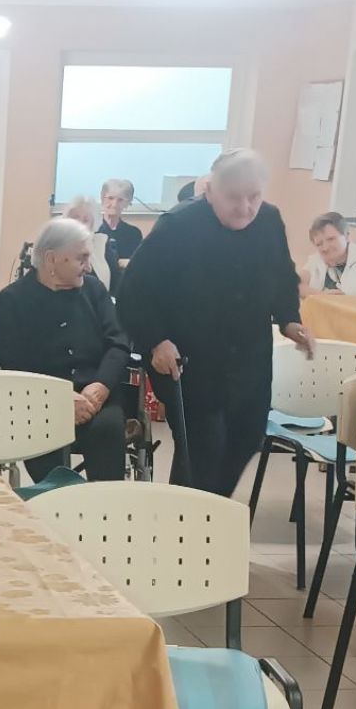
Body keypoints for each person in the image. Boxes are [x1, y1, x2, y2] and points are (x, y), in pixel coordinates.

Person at [119, 148, 314, 496]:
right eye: (234, 198)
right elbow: (133, 290)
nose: (245, 207)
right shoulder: (178, 225)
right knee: (202, 451)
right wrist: (155, 340)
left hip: (248, 358)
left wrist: (289, 320)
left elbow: (282, 274)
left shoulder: (269, 220)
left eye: (254, 197)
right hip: (188, 360)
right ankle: (188, 523)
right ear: (210, 192)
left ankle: (210, 513)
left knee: (247, 438)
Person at [0, 216, 129, 481]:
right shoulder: (11, 301)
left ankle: (106, 504)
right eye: (81, 258)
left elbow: (118, 342)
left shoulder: (94, 291)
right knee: (44, 444)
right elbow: (12, 364)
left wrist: (101, 386)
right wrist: (58, 399)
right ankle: (55, 502)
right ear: (51, 259)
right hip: (38, 402)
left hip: (97, 397)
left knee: (107, 431)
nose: (88, 267)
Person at [96, 178, 142, 292]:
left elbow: (138, 265)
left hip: (125, 288)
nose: (114, 204)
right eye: (110, 198)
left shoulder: (134, 233)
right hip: (98, 287)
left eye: (120, 200)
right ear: (102, 198)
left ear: (128, 203)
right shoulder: (94, 231)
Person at [61, 197, 113, 290]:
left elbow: (116, 282)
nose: (79, 223)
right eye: (75, 218)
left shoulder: (102, 243)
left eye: (85, 220)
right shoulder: (57, 244)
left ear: (92, 224)